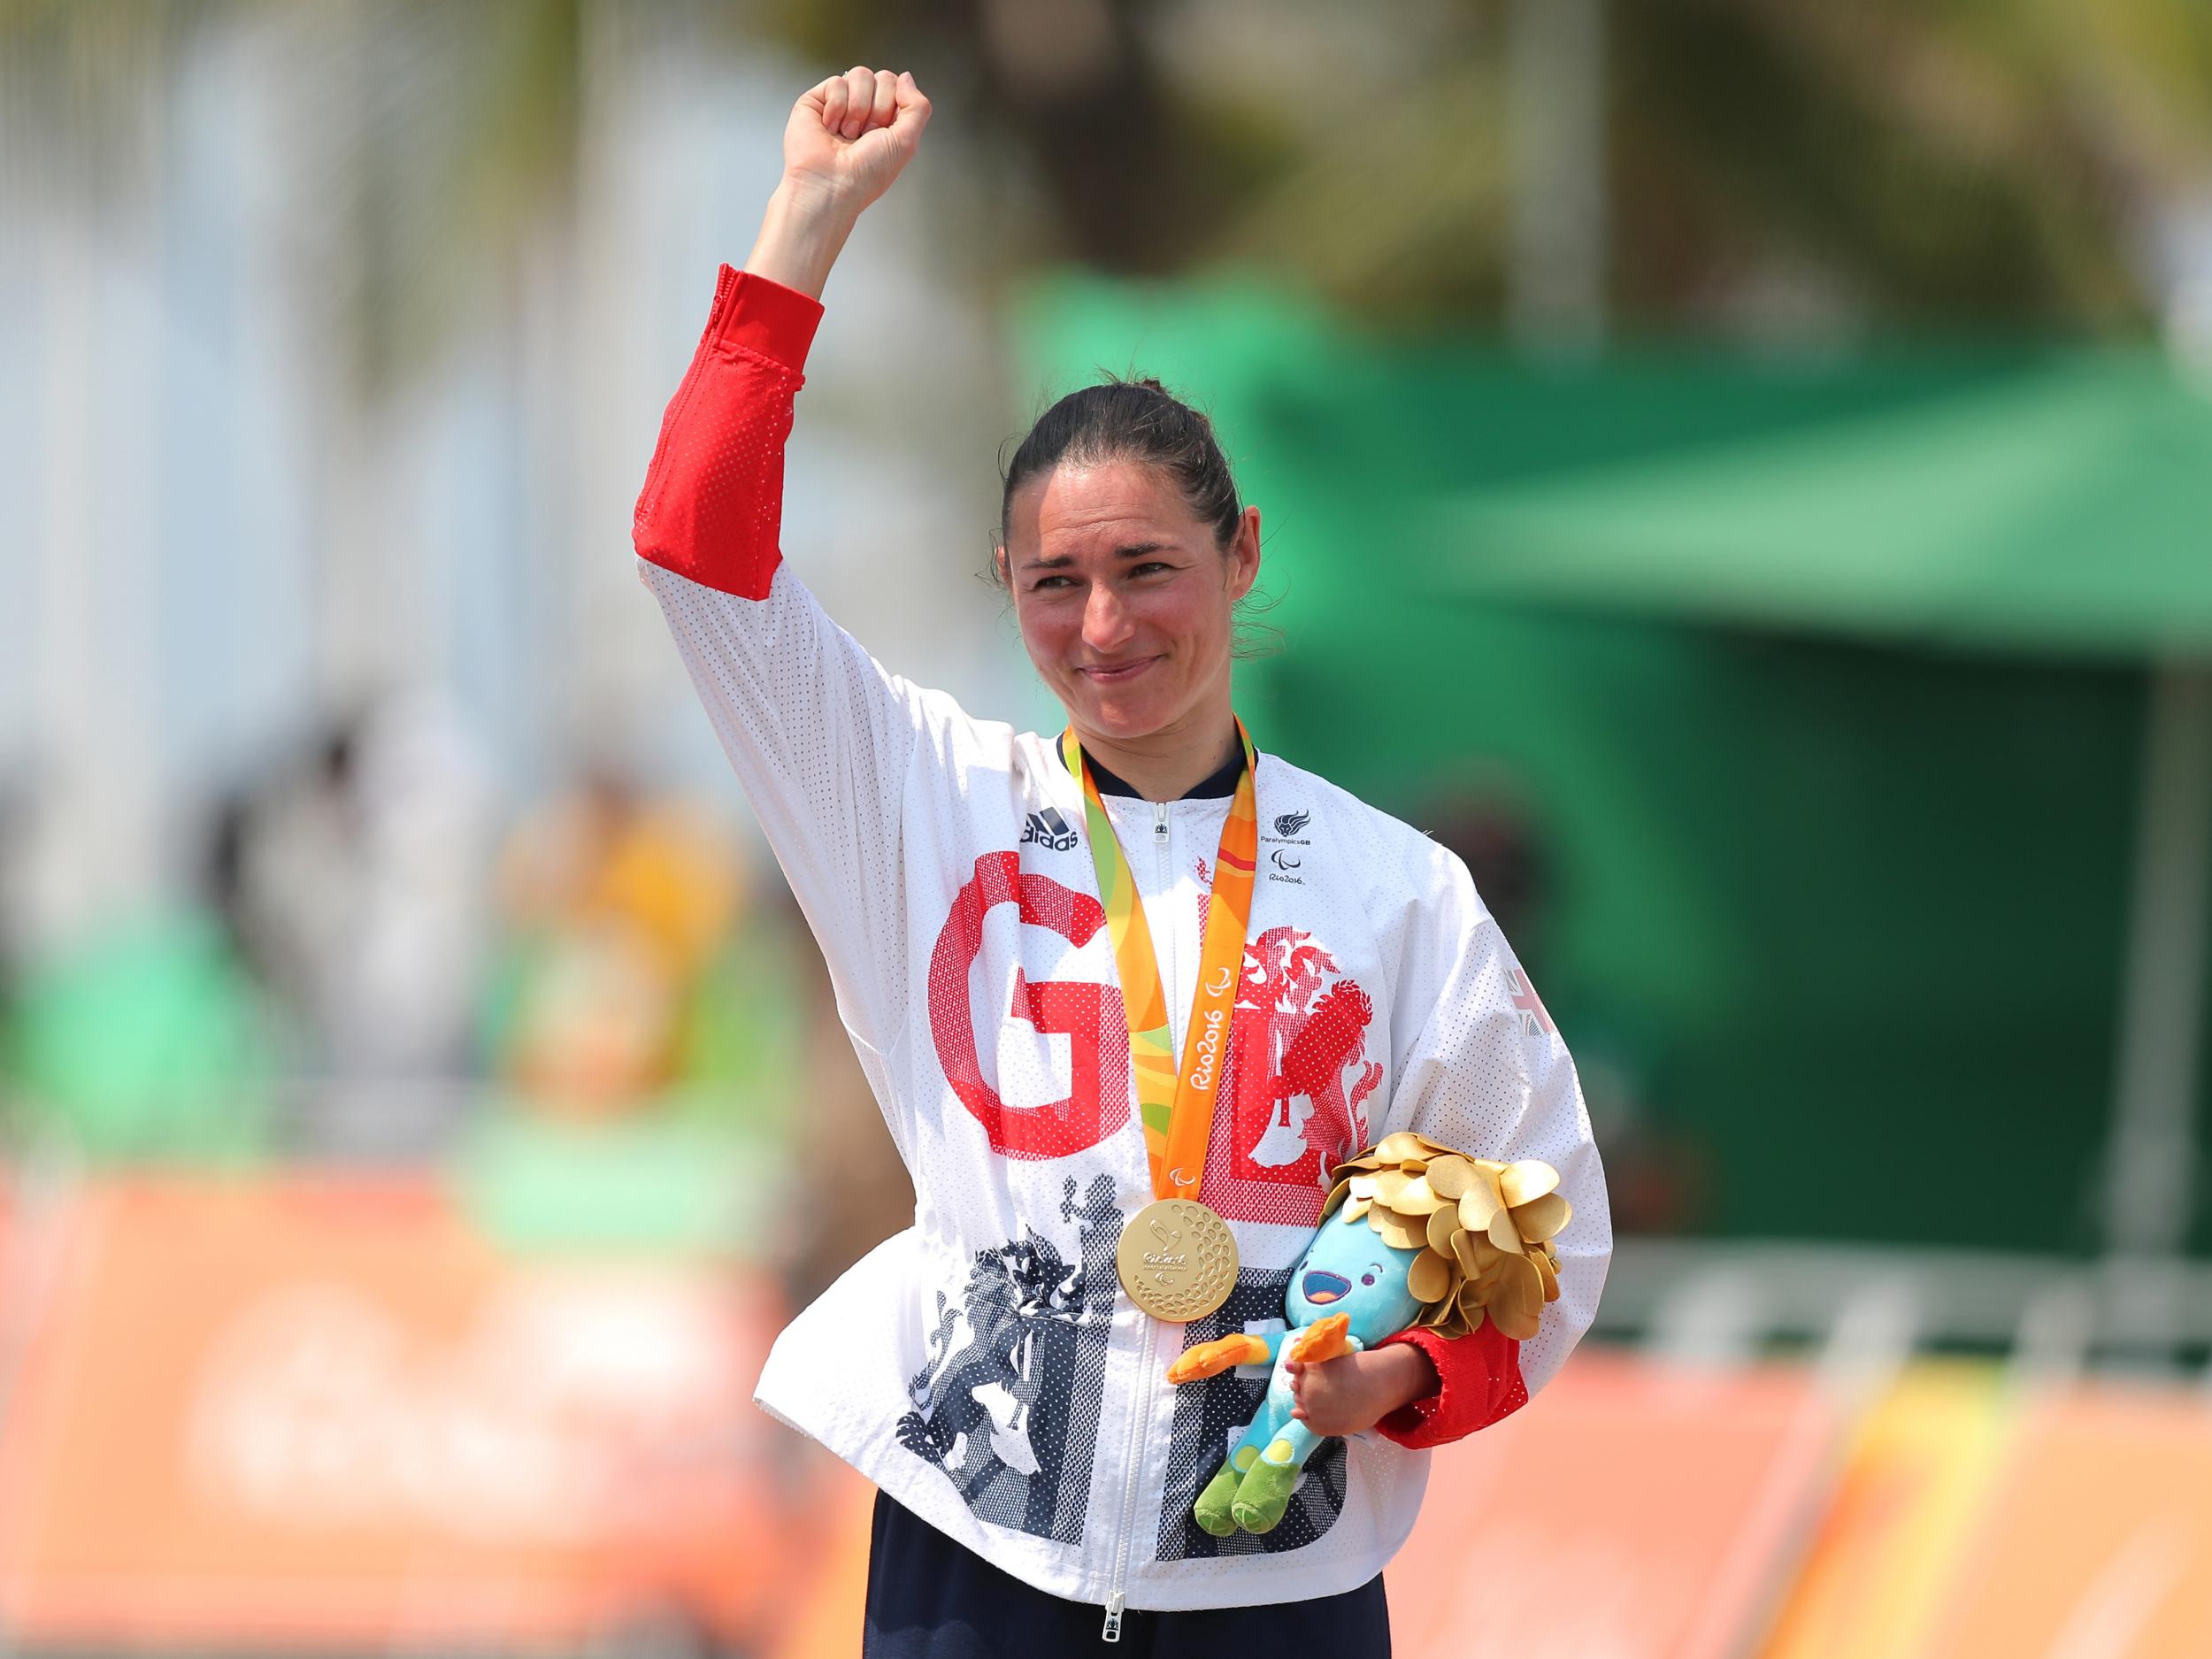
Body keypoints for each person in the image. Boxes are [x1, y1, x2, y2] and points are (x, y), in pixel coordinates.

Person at [630, 65, 1609, 1658]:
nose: (1103, 629)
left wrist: (1398, 1376)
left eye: (1149, 569)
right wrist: (803, 226)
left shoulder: (1397, 891)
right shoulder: (916, 793)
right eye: (1053, 583)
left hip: (1279, 1588)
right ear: (1004, 590)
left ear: (1243, 559)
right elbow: (695, 547)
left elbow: (1550, 1221)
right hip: (978, 1555)